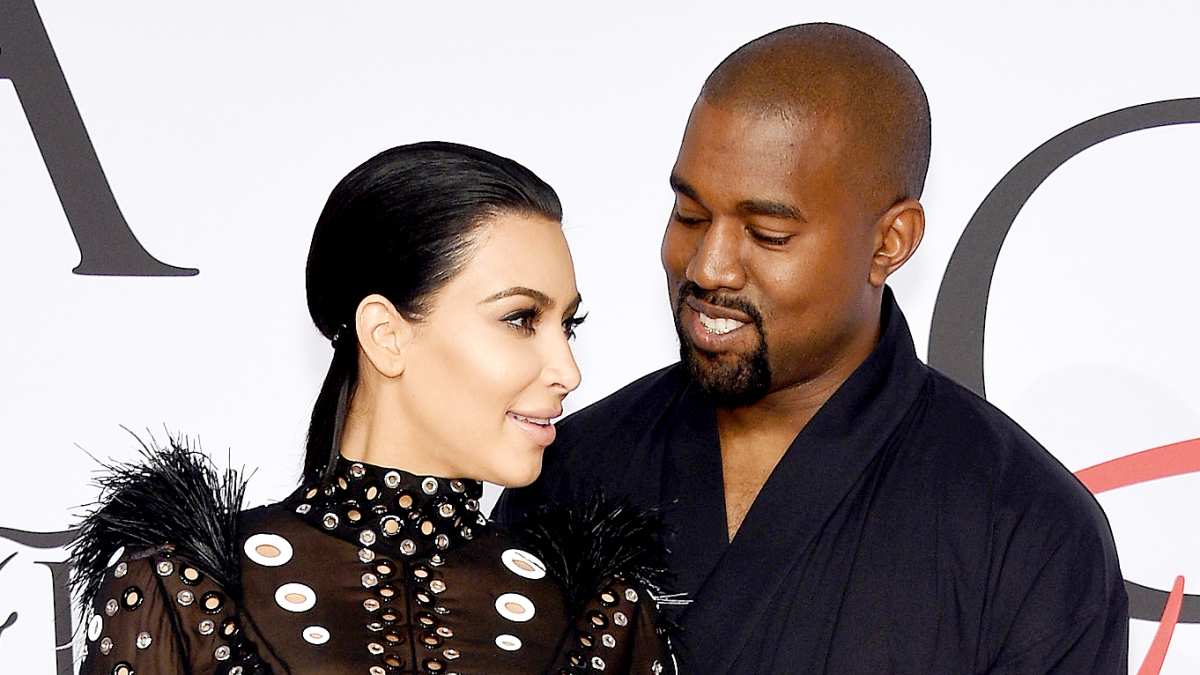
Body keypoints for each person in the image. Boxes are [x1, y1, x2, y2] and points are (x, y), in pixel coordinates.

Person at [496, 23, 1128, 674]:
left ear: (890, 242)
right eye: (689, 215)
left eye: (768, 234)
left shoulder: (1028, 531)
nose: (708, 266)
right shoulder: (569, 470)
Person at [69, 142, 676, 675]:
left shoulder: (601, 613)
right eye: (520, 319)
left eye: (568, 325)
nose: (568, 371)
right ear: (386, 335)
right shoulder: (183, 591)